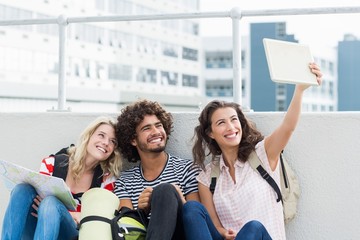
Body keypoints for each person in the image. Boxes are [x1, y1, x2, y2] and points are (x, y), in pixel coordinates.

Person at [183, 63, 323, 240]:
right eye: (221, 123)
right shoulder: (207, 177)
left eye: (234, 120)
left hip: (260, 236)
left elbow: (288, 127)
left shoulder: (263, 154)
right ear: (210, 133)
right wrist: (223, 232)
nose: (231, 127)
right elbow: (215, 226)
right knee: (191, 208)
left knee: (253, 228)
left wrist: (300, 90)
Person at [1, 116, 122, 240]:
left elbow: (99, 218)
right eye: (101, 135)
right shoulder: (51, 164)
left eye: (113, 141)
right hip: (37, 227)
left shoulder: (106, 180)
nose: (106, 143)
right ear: (89, 136)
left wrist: (68, 213)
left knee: (50, 203)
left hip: (71, 234)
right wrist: (74, 214)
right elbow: (38, 203)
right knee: (22, 189)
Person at [113, 99, 200, 240]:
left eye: (159, 126)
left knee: (165, 191)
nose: (156, 132)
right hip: (145, 234)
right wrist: (141, 211)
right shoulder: (125, 182)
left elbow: (197, 221)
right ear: (133, 140)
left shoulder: (187, 169)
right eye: (146, 128)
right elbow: (127, 230)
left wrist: (178, 200)